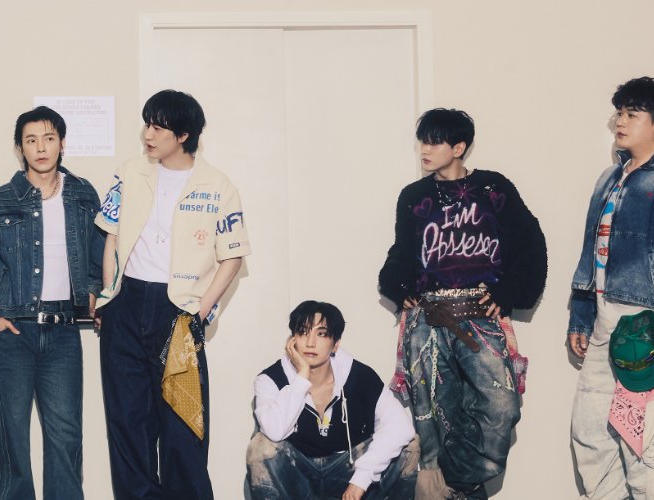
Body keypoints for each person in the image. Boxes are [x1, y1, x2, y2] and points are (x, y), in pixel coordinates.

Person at [377, 108, 546, 499]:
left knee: (500, 406)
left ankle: (453, 483)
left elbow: (530, 242)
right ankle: (454, 490)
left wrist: (509, 292)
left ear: (459, 147)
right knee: (439, 418)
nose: (425, 149)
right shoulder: (413, 196)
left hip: (478, 317)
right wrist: (397, 284)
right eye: (423, 141)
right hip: (428, 317)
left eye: (435, 141)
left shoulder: (493, 188)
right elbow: (403, 251)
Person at [95, 89, 250, 499]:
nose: (147, 134)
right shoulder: (129, 173)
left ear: (183, 135)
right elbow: (110, 238)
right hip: (126, 305)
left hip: (178, 310)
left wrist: (201, 311)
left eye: (157, 127)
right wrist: (109, 296)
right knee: (128, 422)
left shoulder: (217, 186)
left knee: (183, 424)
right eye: (146, 125)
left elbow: (232, 257)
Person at [567, 76, 654, 499]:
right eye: (619, 113)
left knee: (653, 447)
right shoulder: (610, 179)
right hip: (605, 323)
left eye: (633, 114)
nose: (621, 122)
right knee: (591, 436)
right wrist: (581, 316)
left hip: (649, 326)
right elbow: (591, 252)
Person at [0, 106, 104, 499]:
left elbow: (100, 254)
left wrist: (93, 297)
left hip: (63, 333)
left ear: (62, 143)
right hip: (11, 331)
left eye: (49, 138)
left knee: (66, 439)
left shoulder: (83, 195)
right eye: (31, 140)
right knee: (10, 440)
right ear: (19, 147)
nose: (41, 148)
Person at [247, 301, 418, 500]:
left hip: (348, 470)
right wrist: (301, 379)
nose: (310, 343)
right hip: (299, 474)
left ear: (335, 344)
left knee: (409, 446)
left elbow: (400, 426)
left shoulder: (359, 376)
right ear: (292, 340)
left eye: (321, 334)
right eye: (303, 332)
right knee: (261, 446)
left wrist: (362, 478)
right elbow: (274, 431)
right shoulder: (270, 380)